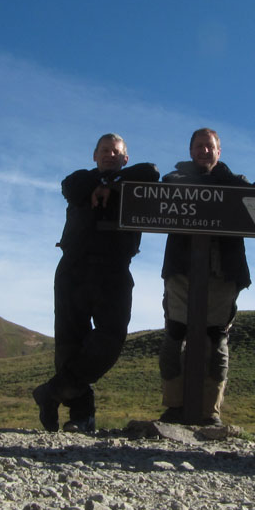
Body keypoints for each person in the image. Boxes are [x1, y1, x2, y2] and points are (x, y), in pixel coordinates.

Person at [33, 134, 159, 433]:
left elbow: (152, 171)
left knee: (110, 338)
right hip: (73, 269)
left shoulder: (133, 183)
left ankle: (51, 392)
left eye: (116, 152)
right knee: (69, 342)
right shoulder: (80, 181)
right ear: (94, 155)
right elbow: (70, 185)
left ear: (124, 158)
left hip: (114, 270)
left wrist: (111, 186)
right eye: (104, 151)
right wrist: (98, 184)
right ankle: (81, 416)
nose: (109, 155)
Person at [158, 128, 251, 426]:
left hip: (224, 274)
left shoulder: (233, 181)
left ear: (218, 152)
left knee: (217, 340)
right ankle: (175, 407)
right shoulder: (176, 178)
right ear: (191, 150)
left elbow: (247, 190)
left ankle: (210, 411)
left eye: (209, 147)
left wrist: (218, 178)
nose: (204, 151)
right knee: (174, 336)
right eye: (198, 146)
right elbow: (168, 185)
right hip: (181, 273)